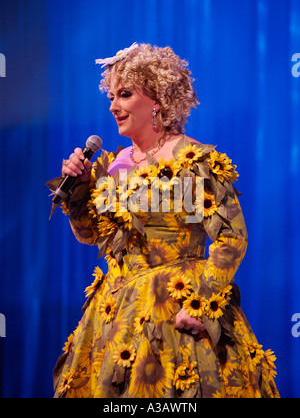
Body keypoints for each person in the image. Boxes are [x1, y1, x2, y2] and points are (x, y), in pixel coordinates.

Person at [47, 43, 280, 398]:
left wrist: (200, 304)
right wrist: (79, 191)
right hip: (116, 315)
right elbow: (90, 235)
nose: (113, 106)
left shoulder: (193, 162)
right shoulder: (108, 165)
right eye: (111, 96)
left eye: (124, 94)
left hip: (176, 312)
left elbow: (231, 238)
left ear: (157, 98)